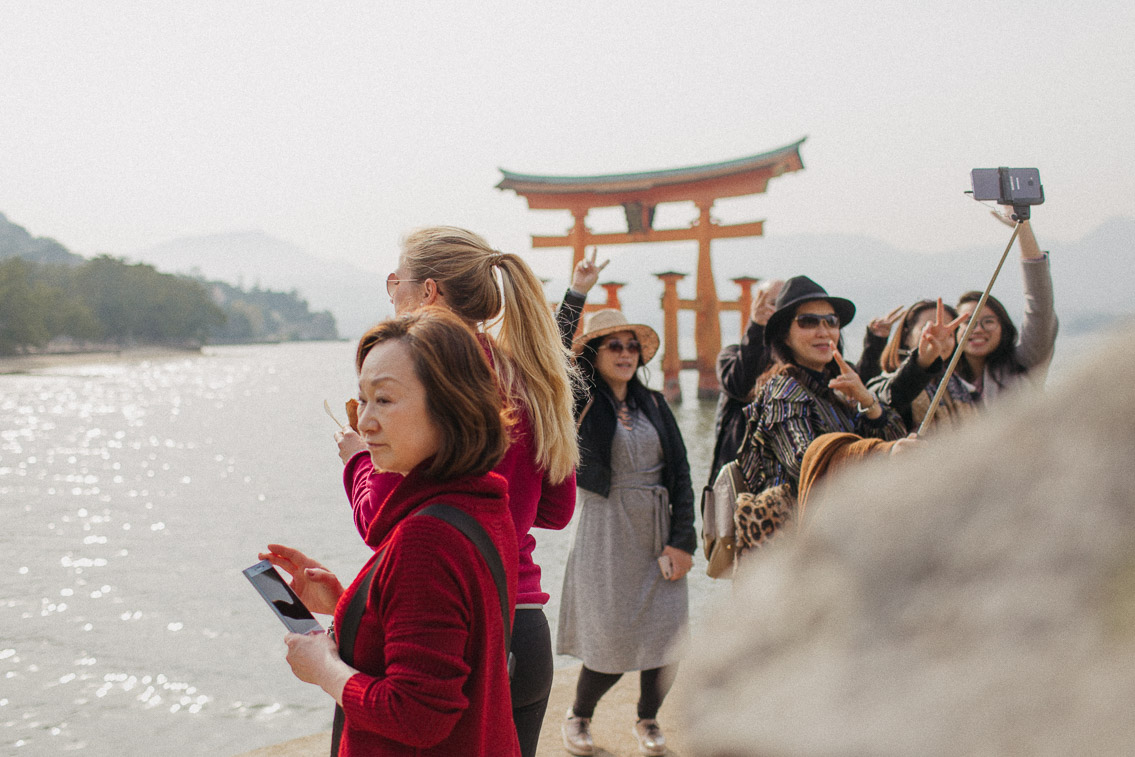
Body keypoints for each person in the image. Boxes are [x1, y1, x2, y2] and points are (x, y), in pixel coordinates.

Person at [334, 227, 580, 757]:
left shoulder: (427, 383)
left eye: (395, 281)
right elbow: (557, 511)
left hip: (459, 627)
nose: (391, 294)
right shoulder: (531, 372)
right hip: (524, 621)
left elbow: (379, 522)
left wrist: (358, 460)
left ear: (427, 293)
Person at [262, 309, 520, 756]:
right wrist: (350, 603)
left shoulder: (427, 538)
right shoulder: (482, 504)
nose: (364, 423)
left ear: (449, 405)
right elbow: (449, 636)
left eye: (384, 400)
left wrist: (323, 667)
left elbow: (416, 714)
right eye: (362, 400)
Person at [557, 309, 696, 757]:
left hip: (657, 528)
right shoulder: (582, 401)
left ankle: (648, 718)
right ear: (595, 354)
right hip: (607, 528)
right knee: (611, 637)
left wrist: (683, 539)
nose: (625, 354)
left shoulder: (653, 403)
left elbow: (681, 473)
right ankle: (579, 714)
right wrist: (576, 293)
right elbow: (556, 358)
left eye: (631, 345)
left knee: (667, 639)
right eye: (614, 345)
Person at [735, 275, 906, 558]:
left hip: (846, 541)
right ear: (784, 335)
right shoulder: (783, 389)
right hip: (797, 555)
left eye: (831, 321)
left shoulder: (837, 388)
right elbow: (806, 462)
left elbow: (897, 439)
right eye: (808, 322)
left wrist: (867, 401)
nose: (823, 331)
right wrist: (880, 453)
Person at [954, 214, 1058, 403]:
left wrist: (1023, 227)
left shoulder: (1024, 364)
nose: (977, 329)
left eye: (988, 321)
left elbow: (1040, 307)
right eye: (968, 322)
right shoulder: (942, 380)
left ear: (1004, 327)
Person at [707, 278, 782, 487]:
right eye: (773, 303)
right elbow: (739, 384)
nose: (777, 311)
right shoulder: (730, 356)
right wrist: (757, 327)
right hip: (737, 482)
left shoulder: (799, 363)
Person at [868, 298, 971, 432]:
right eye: (930, 330)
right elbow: (891, 400)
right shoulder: (883, 384)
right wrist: (923, 361)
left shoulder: (966, 389)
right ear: (907, 336)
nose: (941, 338)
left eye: (950, 333)